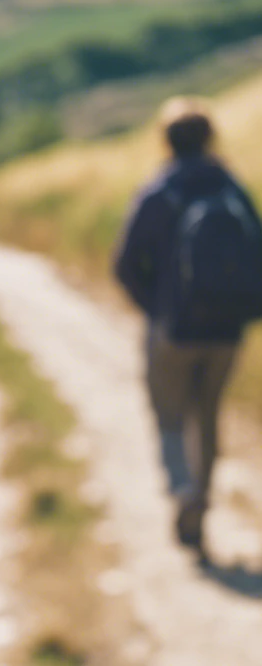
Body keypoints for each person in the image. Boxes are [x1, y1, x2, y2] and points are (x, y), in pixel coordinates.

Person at [114, 97, 262, 558]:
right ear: (210, 136)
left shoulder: (159, 191)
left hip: (172, 330)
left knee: (170, 415)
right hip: (226, 331)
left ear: (167, 140)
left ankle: (182, 488)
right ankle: (202, 495)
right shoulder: (231, 188)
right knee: (208, 417)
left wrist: (156, 308)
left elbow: (123, 265)